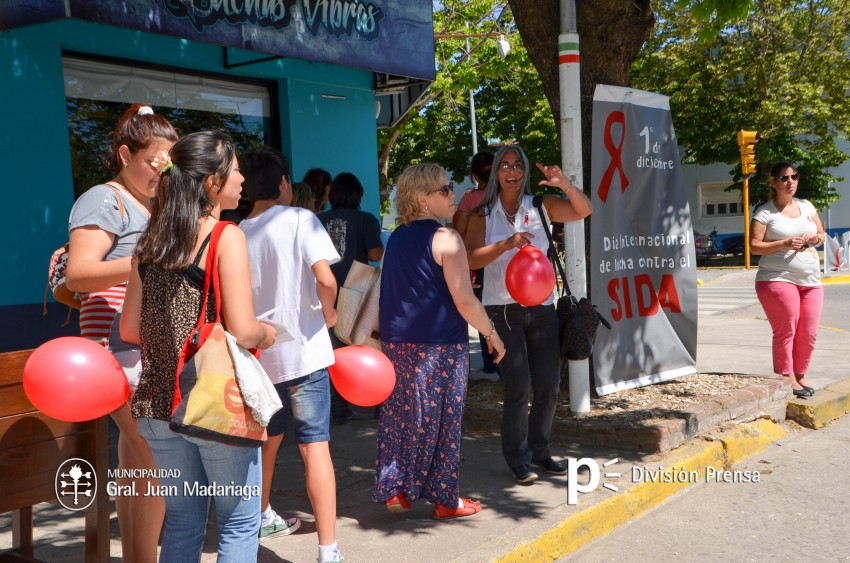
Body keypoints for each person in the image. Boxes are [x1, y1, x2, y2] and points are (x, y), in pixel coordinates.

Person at [121, 130, 276, 562]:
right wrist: (269, 333)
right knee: (240, 521)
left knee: (184, 521)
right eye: (236, 169)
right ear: (211, 182)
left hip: (155, 403)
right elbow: (244, 331)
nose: (242, 178)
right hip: (212, 402)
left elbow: (130, 329)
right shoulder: (225, 237)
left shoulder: (148, 243)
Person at [64, 103, 177, 562]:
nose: (161, 172)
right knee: (152, 454)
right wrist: (142, 263)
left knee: (139, 458)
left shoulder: (151, 203)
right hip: (116, 348)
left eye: (169, 163)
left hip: (142, 345)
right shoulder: (103, 199)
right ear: (126, 153)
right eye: (154, 161)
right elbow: (78, 274)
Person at [374, 163, 505, 519]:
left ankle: (398, 488)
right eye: (445, 190)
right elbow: (464, 299)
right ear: (422, 199)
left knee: (403, 417)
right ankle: (446, 500)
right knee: (443, 420)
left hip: (398, 344)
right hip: (439, 346)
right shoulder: (446, 238)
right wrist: (491, 334)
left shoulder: (398, 237)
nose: (453, 195)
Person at [239, 146, 345, 563]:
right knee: (314, 447)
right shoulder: (302, 218)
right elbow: (325, 278)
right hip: (305, 352)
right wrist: (331, 311)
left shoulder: (234, 232)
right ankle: (328, 549)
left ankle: (261, 514)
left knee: (266, 439)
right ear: (284, 183)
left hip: (259, 356)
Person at [465, 145, 592, 483]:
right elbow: (469, 259)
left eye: (517, 165)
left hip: (541, 309)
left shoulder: (540, 206)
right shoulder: (482, 214)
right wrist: (506, 245)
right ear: (495, 173)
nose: (511, 171)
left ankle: (540, 450)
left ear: (524, 172)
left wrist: (563, 182)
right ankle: (518, 458)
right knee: (518, 387)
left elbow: (583, 209)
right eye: (504, 165)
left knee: (549, 386)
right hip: (501, 310)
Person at [750, 162, 825, 398]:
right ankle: (787, 377)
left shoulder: (806, 206)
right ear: (773, 182)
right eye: (784, 178)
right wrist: (783, 243)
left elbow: (822, 235)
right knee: (787, 328)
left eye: (794, 177)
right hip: (777, 278)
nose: (791, 181)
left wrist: (814, 238)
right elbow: (754, 247)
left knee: (809, 331)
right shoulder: (764, 213)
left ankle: (800, 374)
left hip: (811, 281)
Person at [318, 172, 384, 423]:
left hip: (327, 290)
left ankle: (338, 405)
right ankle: (377, 400)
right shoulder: (366, 219)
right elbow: (375, 253)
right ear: (358, 194)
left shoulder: (318, 219)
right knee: (369, 343)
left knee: (333, 351)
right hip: (359, 290)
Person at [453, 151, 499, 382]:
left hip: (478, 259)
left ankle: (491, 366)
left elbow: (457, 227)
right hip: (505, 258)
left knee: (482, 309)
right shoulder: (507, 194)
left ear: (474, 173)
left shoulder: (471, 198)